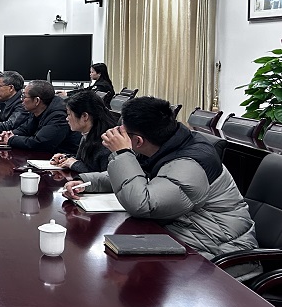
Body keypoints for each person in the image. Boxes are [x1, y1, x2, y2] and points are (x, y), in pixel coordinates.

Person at [63, 96, 258, 263]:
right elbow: (135, 176)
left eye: (124, 132)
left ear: (138, 141)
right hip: (184, 234)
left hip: (218, 251)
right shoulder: (164, 144)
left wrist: (122, 153)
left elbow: (143, 204)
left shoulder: (189, 165)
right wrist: (86, 182)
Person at [0, 80, 80, 152]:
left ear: (37, 100)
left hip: (62, 157)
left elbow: (40, 143)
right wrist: (10, 133)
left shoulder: (59, 116)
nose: (21, 100)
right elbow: (26, 129)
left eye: (24, 96)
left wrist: (11, 140)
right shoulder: (37, 110)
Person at [50, 90, 116, 173]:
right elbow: (86, 163)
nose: (67, 118)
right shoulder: (88, 133)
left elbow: (105, 176)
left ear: (84, 116)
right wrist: (67, 158)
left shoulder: (107, 142)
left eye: (69, 114)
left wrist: (74, 164)